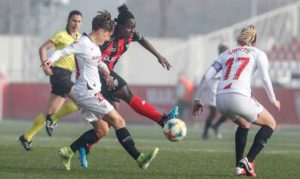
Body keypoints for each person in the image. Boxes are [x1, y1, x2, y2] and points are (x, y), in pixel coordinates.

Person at [43, 10, 159, 171]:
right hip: (88, 93)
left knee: (102, 130)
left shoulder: (95, 47)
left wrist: (108, 75)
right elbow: (63, 51)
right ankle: (139, 158)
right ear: (99, 31)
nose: (107, 38)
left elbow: (100, 63)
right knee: (119, 121)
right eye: (106, 35)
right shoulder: (83, 42)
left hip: (86, 94)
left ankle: (68, 151)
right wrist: (49, 60)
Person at [192, 25, 280, 177]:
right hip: (239, 97)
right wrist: (273, 99)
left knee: (244, 124)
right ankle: (249, 161)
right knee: (270, 123)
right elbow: (265, 78)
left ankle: (239, 165)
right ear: (255, 41)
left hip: (220, 99)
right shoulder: (258, 53)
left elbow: (207, 76)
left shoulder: (226, 53)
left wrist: (197, 99)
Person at [19, 10, 83, 151]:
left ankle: (27, 136)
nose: (76, 24)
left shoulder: (79, 38)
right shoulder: (61, 35)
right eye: (73, 20)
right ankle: (52, 121)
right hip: (59, 73)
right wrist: (44, 65)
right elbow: (43, 48)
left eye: (78, 21)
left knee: (50, 112)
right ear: (68, 21)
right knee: (80, 101)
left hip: (67, 75)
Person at [201, 44, 228, 140]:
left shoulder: (228, 60)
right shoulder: (217, 60)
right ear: (221, 51)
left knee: (229, 112)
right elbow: (207, 74)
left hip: (223, 88)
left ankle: (216, 125)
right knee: (213, 113)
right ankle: (205, 133)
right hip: (214, 87)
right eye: (225, 50)